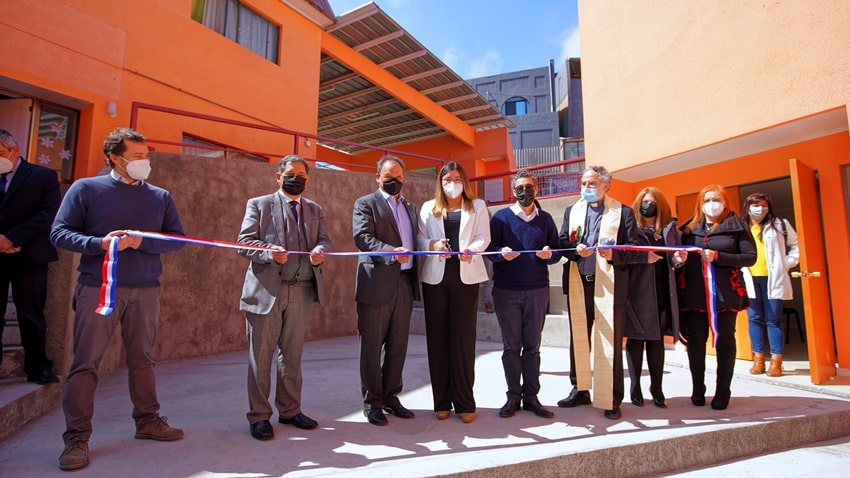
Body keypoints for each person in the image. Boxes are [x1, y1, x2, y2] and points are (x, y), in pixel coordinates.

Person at [50, 128, 186, 471]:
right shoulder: (86, 189)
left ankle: (148, 421)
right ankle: (76, 438)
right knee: (86, 363)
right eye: (138, 156)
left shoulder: (160, 196)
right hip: (98, 288)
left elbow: (177, 239)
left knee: (143, 359)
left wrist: (144, 242)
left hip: (146, 289)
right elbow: (59, 233)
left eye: (146, 156)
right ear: (115, 157)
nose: (145, 162)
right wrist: (99, 243)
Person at [237, 154, 332, 441]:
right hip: (267, 292)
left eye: (301, 175)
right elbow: (244, 243)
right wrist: (269, 252)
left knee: (292, 356)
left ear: (308, 179)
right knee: (261, 357)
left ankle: (290, 410)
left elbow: (325, 240)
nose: (296, 179)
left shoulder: (314, 209)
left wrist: (320, 252)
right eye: (290, 174)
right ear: (278, 177)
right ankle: (259, 416)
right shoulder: (259, 204)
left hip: (301, 290)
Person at [557, 165, 641, 421]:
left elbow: (635, 248)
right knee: (579, 338)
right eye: (583, 183)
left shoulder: (623, 212)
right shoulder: (573, 210)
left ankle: (612, 397)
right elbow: (563, 242)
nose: (586, 188)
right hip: (579, 281)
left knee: (609, 340)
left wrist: (615, 253)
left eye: (592, 184)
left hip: (610, 284)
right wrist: (575, 250)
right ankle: (580, 389)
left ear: (606, 185)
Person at [417, 162, 490, 424]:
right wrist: (432, 244)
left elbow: (484, 237)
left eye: (457, 178)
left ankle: (464, 402)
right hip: (436, 278)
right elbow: (420, 239)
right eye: (447, 179)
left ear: (464, 181)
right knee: (437, 340)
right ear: (440, 182)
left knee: (462, 339)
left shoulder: (477, 206)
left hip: (466, 276)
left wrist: (473, 248)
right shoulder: (428, 207)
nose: (452, 183)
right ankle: (441, 402)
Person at [672, 185, 756, 411]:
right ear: (701, 203)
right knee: (696, 341)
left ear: (725, 202)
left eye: (716, 199)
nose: (712, 203)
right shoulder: (689, 229)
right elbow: (678, 258)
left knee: (725, 341)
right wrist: (678, 259)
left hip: (725, 295)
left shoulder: (737, 227)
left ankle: (722, 391)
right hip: (694, 295)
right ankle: (698, 388)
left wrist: (718, 256)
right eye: (707, 199)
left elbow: (750, 257)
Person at [487, 169, 561, 420]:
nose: (524, 192)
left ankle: (531, 397)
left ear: (537, 190)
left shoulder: (547, 219)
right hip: (506, 291)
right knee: (511, 347)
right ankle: (513, 397)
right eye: (519, 188)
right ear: (513, 191)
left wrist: (549, 254)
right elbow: (488, 250)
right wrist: (500, 253)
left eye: (529, 187)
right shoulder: (500, 219)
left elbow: (558, 252)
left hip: (537, 291)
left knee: (532, 348)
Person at [353, 154, 420, 426]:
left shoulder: (410, 207)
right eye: (389, 178)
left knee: (397, 345)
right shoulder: (365, 204)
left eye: (399, 178)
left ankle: (392, 397)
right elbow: (362, 237)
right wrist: (392, 253)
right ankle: (372, 402)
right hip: (376, 283)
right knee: (371, 346)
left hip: (404, 283)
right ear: (377, 176)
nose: (395, 182)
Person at [0, 128, 60, 385]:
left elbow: (47, 214)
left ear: (16, 151)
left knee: (31, 313)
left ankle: (38, 368)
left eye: (1, 153)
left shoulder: (43, 176)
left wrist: (11, 238)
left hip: (31, 256)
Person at [625, 187, 680, 409]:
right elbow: (621, 255)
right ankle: (635, 387)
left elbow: (677, 257)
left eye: (653, 202)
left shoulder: (670, 230)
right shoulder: (630, 228)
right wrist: (641, 257)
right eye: (645, 202)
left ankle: (657, 388)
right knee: (636, 341)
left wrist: (678, 259)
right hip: (637, 292)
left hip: (662, 292)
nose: (649, 205)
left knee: (657, 342)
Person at [740, 192, 799, 377]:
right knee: (754, 318)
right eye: (756, 205)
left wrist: (786, 263)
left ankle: (776, 361)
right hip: (750, 277)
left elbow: (796, 245)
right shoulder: (742, 227)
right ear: (748, 207)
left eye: (764, 205)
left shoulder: (780, 224)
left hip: (773, 278)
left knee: (774, 319)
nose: (760, 209)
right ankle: (758, 359)